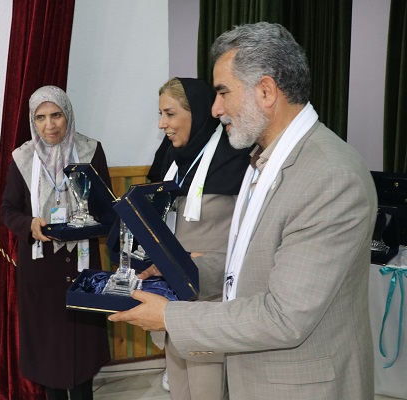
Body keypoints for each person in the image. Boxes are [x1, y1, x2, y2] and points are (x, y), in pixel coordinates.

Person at [110, 22, 377, 400]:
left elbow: (284, 317)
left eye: (223, 92)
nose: (215, 109)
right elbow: (254, 262)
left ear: (266, 91)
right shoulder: (264, 159)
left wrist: (168, 316)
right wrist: (181, 270)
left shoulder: (329, 177)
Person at [142, 77, 249, 399]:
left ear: (198, 113)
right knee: (179, 384)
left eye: (170, 114)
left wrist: (213, 260)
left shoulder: (236, 155)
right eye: (160, 114)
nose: (162, 124)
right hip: (171, 287)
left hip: (212, 293)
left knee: (208, 387)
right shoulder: (171, 155)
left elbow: (252, 230)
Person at [1, 85, 111, 399]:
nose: (49, 125)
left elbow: (106, 208)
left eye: (56, 115)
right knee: (49, 353)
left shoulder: (90, 151)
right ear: (32, 121)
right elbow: (8, 210)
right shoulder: (22, 157)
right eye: (41, 117)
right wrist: (29, 224)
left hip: (82, 264)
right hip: (41, 269)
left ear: (68, 115)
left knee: (83, 350)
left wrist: (93, 220)